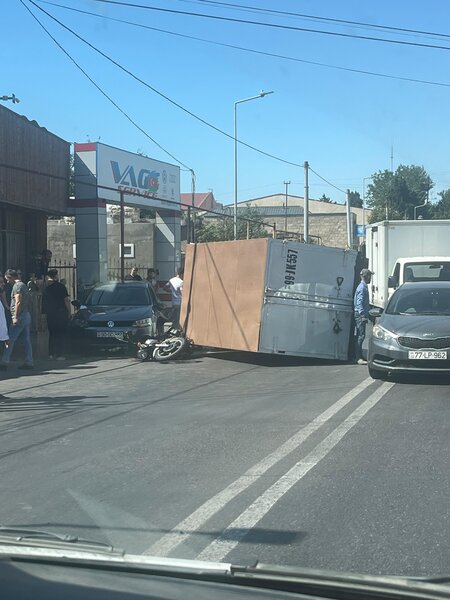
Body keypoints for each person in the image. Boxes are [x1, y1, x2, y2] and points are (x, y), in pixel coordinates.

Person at [0, 269, 34, 370]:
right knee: (27, 340)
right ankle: (29, 361)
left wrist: (15, 316)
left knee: (10, 339)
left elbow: (18, 301)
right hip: (26, 315)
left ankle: (4, 361)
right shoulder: (23, 285)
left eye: (7, 279)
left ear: (11, 277)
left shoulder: (17, 286)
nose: (7, 282)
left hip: (20, 316)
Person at [42, 269, 71, 360]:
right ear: (56, 276)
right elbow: (66, 300)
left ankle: (51, 354)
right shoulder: (61, 287)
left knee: (52, 334)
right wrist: (69, 312)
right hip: (61, 313)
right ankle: (59, 354)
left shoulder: (47, 289)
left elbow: (44, 303)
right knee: (61, 334)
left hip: (51, 314)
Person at [353, 268, 373, 365]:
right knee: (360, 336)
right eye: (370, 276)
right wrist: (362, 314)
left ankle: (359, 355)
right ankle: (358, 357)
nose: (371, 278)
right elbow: (359, 302)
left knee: (361, 335)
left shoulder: (363, 286)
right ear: (366, 277)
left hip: (361, 313)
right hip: (360, 315)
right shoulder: (362, 288)